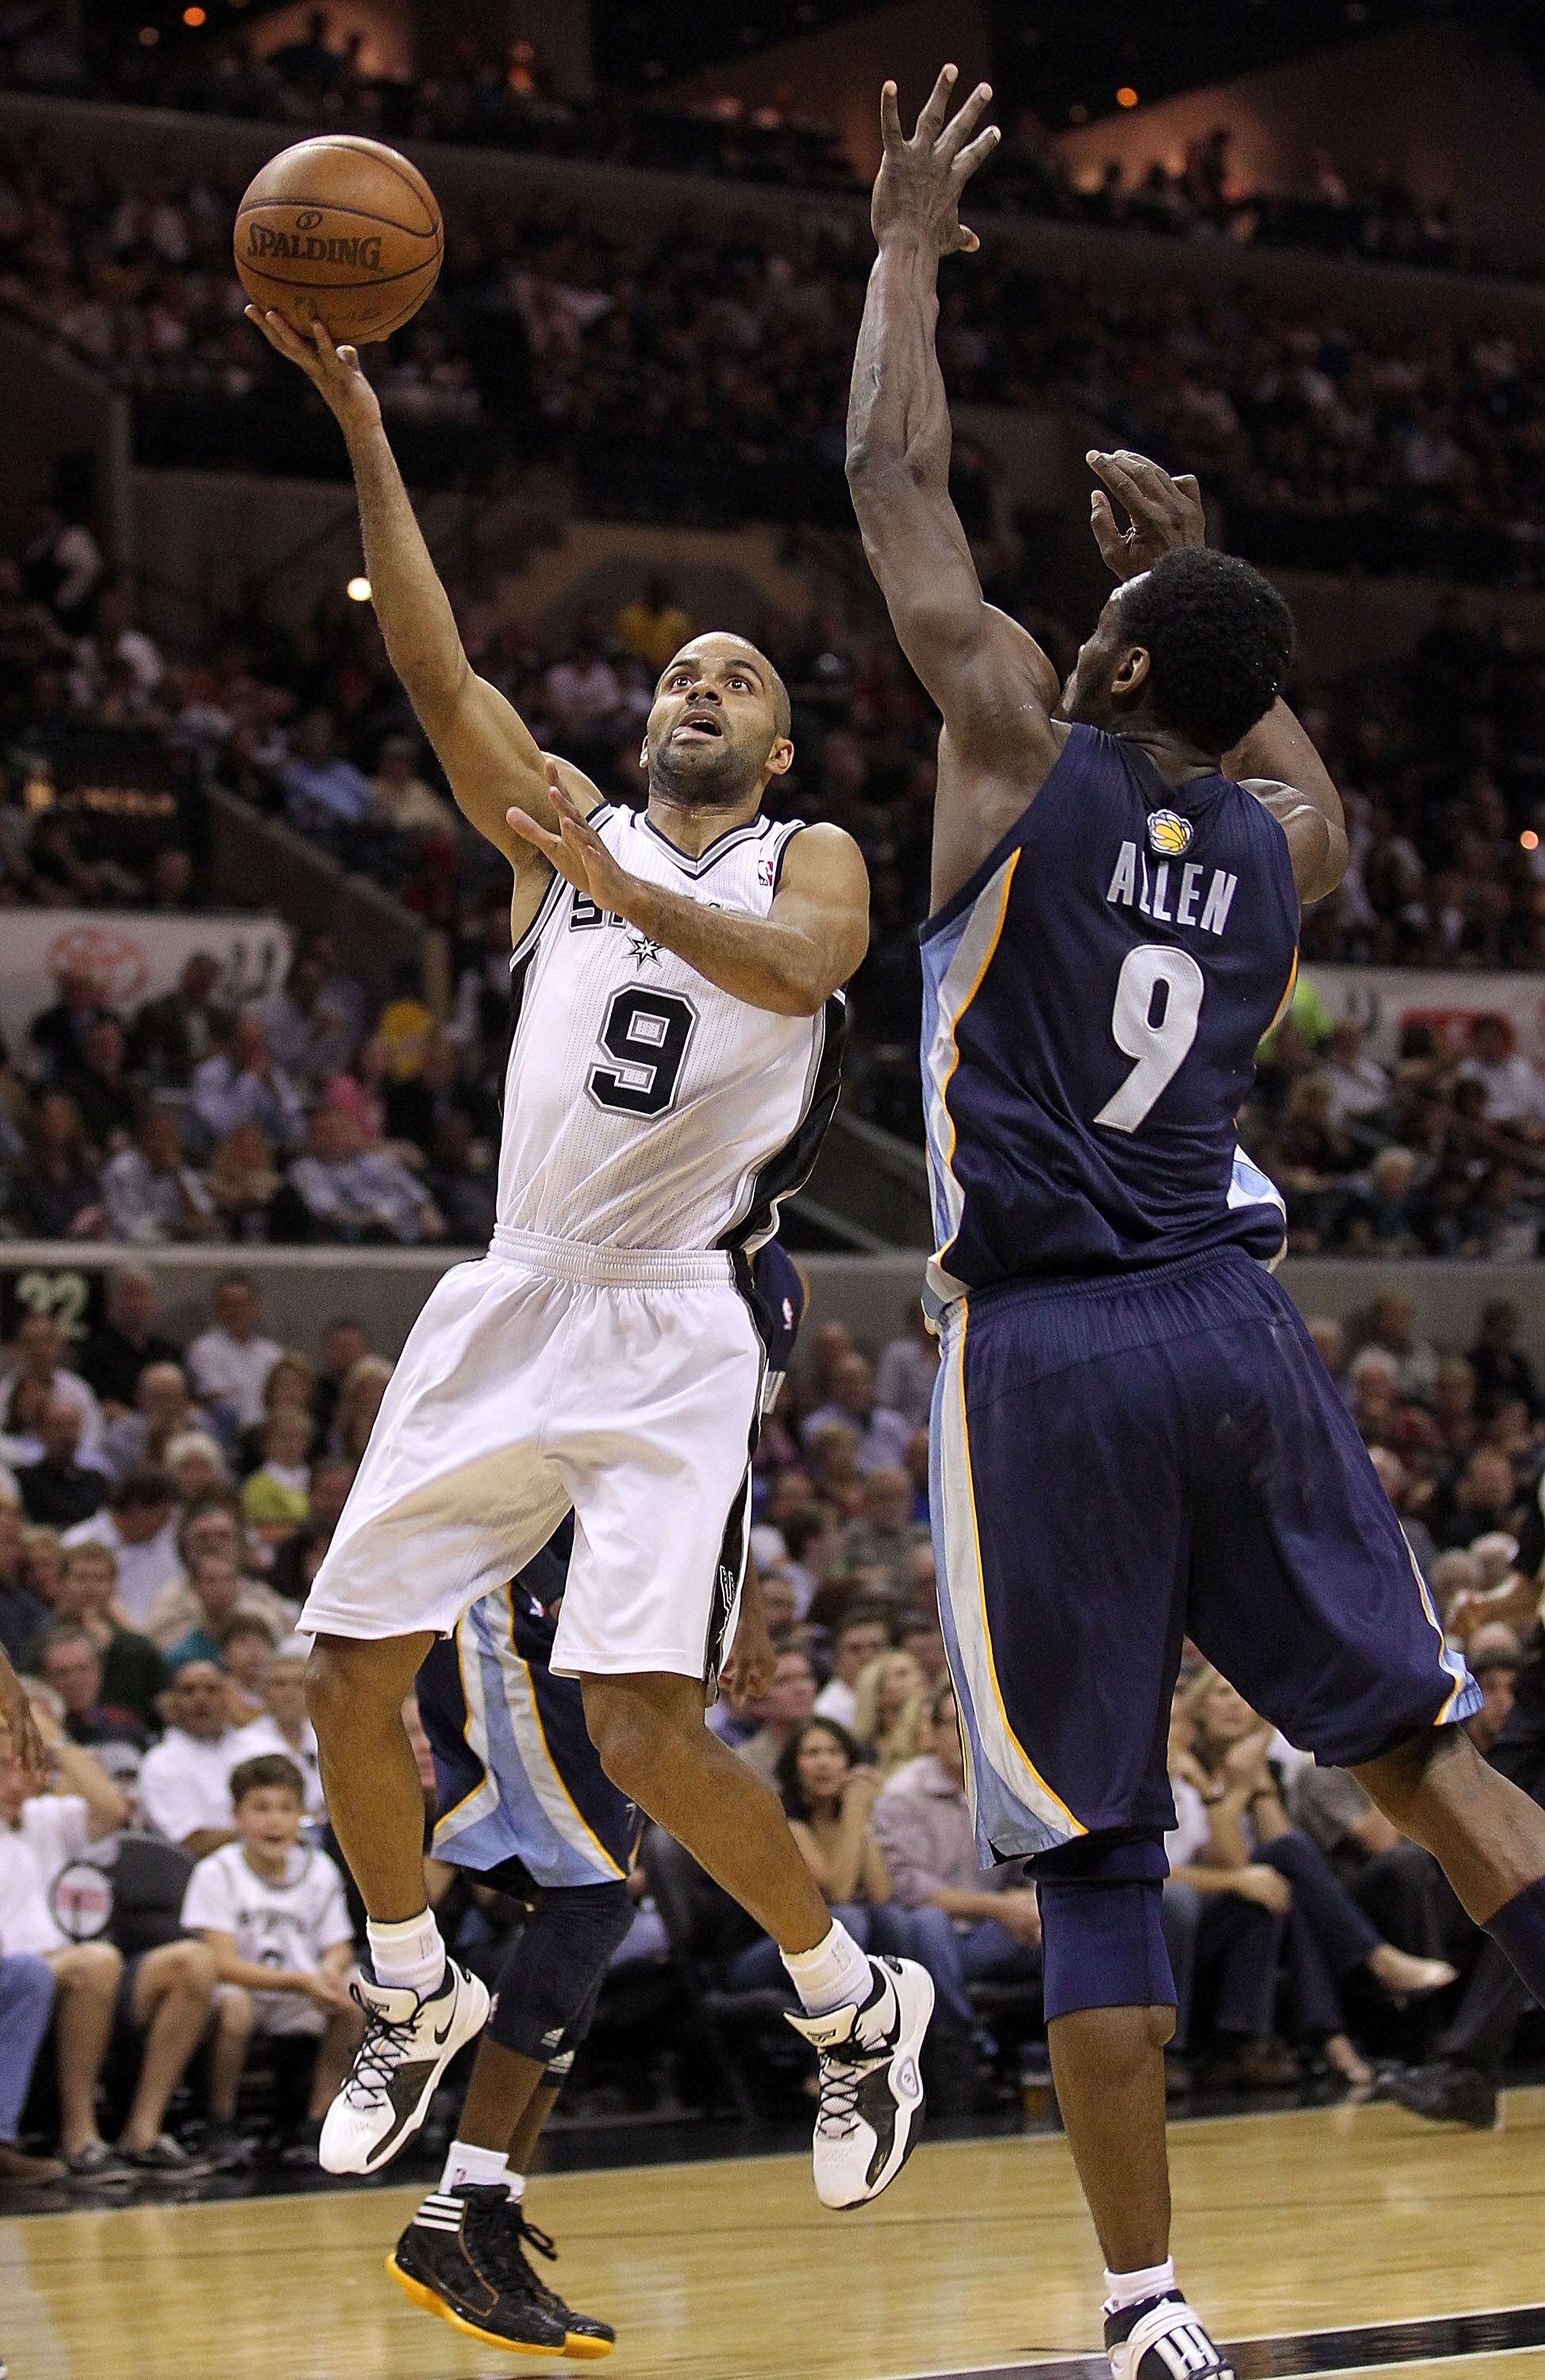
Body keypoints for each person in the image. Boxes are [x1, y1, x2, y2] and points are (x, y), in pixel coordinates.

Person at [848, 66, 1545, 2380]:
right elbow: (1298, 779)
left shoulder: (1007, 745)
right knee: (1420, 1760)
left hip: (1052, 1349)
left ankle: (1147, 2309)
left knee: (1095, 1851)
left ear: (1122, 668)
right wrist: (1206, 565)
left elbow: (892, 485)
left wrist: (903, 246)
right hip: (1239, 1332)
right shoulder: (1275, 850)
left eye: (1116, 609)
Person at [244, 301, 929, 2210]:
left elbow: (809, 971)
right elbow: (429, 654)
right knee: (343, 1673)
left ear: (780, 740)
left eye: (739, 675)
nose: (701, 683)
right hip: (510, 1284)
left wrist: (628, 882)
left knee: (640, 1720)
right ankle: (406, 1979)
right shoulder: (561, 835)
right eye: (682, 671)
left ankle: (851, 1994)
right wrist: (365, 416)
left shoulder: (801, 857)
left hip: (677, 1319)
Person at [396, 1238, 804, 2355]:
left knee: (591, 1903)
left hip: (621, 1606)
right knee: (579, 1899)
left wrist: (746, 1604)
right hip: (514, 1580)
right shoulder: (616, 1223)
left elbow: (723, 1461)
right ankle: (461, 2203)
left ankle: (483, 2208)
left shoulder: (767, 1279)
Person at [0, 1695, 217, 2176]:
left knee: (194, 1962)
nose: (18, 1779)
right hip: (23, 1978)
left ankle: (143, 2132)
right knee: (94, 1961)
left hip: (84, 1974)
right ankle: (79, 2136)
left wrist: (51, 1736)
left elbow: (113, 1809)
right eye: (4, 1767)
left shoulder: (46, 1821)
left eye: (26, 1765)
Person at [182, 1753, 362, 2167]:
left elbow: (339, 1945)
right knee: (235, 2005)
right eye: (260, 1809)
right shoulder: (217, 1871)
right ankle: (220, 2121)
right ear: (237, 1816)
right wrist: (303, 1981)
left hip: (299, 1992)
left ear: (302, 1814)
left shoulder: (319, 1868)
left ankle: (318, 2124)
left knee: (353, 1993)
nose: (274, 1821)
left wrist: (330, 1972)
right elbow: (221, 1963)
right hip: (240, 1990)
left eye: (285, 1809)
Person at [136, 1660, 244, 1856]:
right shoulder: (161, 1762)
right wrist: (261, 1830)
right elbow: (189, 1843)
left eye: (212, 1690)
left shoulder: (260, 1747)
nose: (201, 1699)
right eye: (189, 1691)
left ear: (228, 1697)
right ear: (172, 1703)